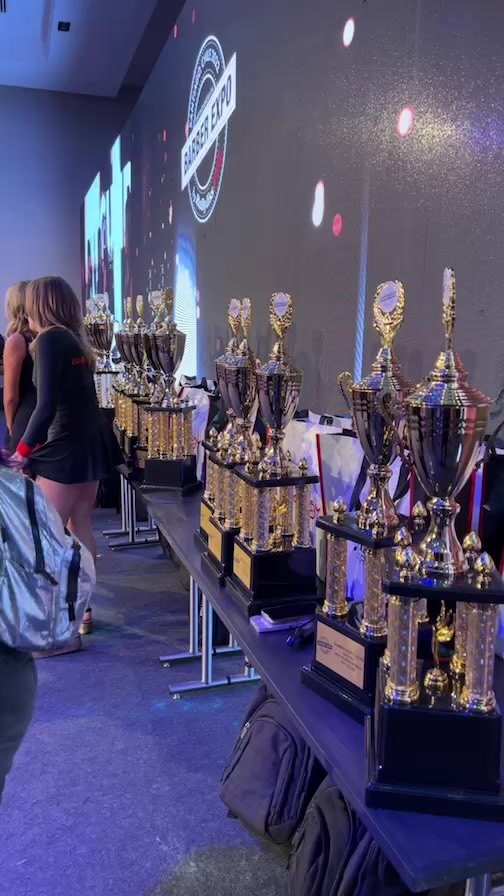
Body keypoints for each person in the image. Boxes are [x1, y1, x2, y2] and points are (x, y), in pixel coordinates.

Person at [11, 276, 122, 641]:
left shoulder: (49, 340)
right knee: (79, 526)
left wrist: (22, 452)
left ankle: (58, 620)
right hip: (87, 443)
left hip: (66, 448)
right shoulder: (74, 340)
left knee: (45, 535)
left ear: (39, 305)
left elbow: (44, 407)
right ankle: (80, 612)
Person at [3, 282, 36, 452]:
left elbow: (10, 397)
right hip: (49, 419)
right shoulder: (45, 336)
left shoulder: (16, 341)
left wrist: (10, 426)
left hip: (25, 419)